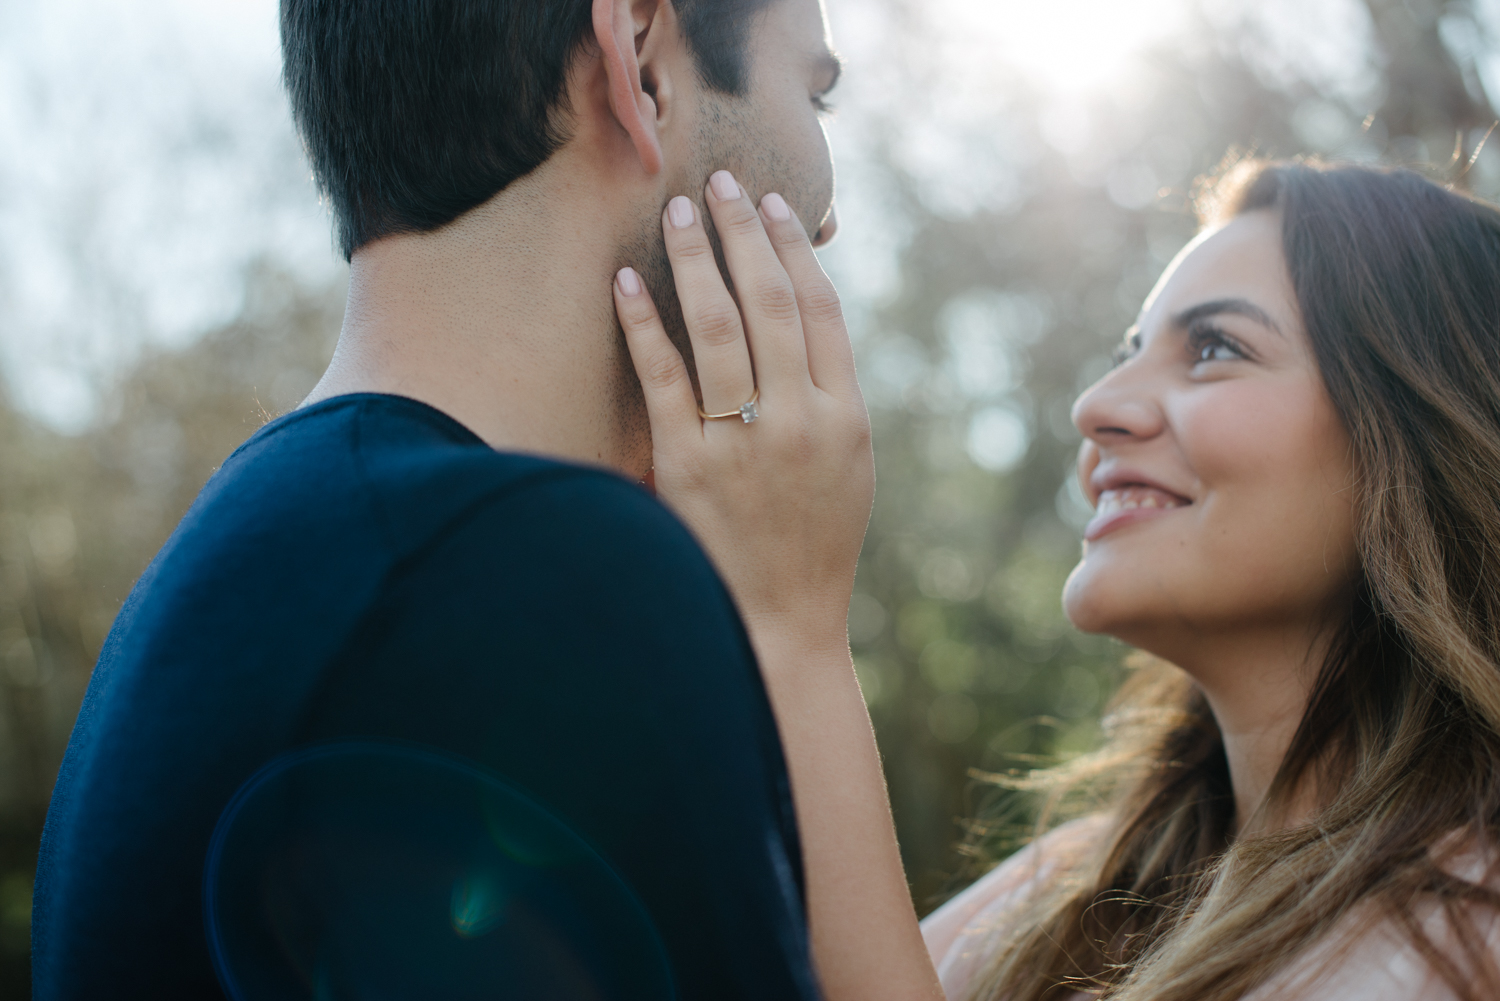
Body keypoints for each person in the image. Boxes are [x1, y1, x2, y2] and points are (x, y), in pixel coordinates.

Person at [28, 1, 908, 998]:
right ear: (644, 66)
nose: (827, 214)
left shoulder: (247, 558)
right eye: (814, 92)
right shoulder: (535, 571)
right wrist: (795, 629)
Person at [620, 157, 1500, 1001]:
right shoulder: (1076, 889)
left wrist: (792, 628)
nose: (1096, 405)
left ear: (1420, 429)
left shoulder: (1472, 921)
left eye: (1216, 348)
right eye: (1130, 350)